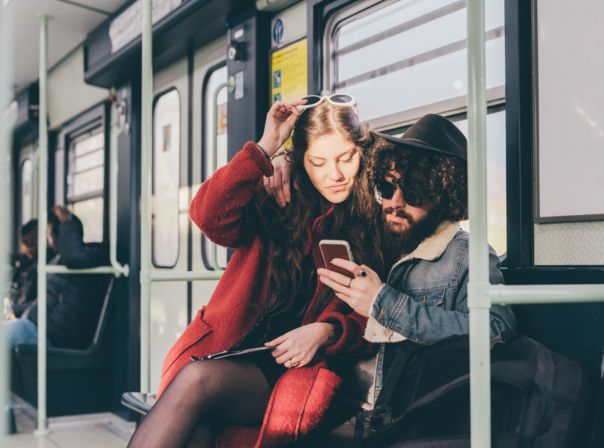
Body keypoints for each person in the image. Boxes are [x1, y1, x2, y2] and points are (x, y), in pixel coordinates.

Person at [127, 96, 383, 448]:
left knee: (197, 382)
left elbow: (374, 312)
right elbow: (208, 215)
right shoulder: (280, 196)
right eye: (318, 162)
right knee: (196, 428)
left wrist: (327, 330)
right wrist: (265, 150)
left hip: (291, 364)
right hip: (235, 345)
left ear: (362, 151)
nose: (334, 174)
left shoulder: (376, 223)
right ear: (301, 160)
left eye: (346, 158)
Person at [317, 113, 516, 390]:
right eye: (387, 187)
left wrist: (383, 304)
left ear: (444, 196)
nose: (395, 203)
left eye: (413, 193)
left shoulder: (467, 254)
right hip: (345, 396)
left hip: (407, 413)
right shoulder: (372, 237)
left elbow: (495, 330)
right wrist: (280, 161)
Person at [3, 206, 109, 350]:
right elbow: (43, 301)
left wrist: (66, 221)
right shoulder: (59, 261)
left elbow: (73, 258)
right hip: (35, 326)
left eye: (49, 234)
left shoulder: (92, 255)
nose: (48, 240)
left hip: (50, 335)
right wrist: (14, 310)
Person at [4, 219, 40, 320]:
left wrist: (12, 310)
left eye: (30, 244)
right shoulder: (22, 262)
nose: (26, 249)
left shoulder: (42, 268)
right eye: (24, 243)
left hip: (23, 316)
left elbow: (36, 302)